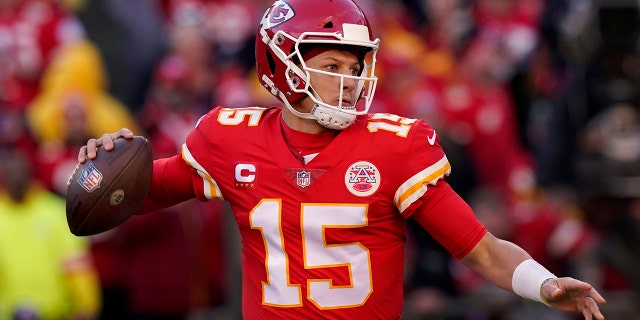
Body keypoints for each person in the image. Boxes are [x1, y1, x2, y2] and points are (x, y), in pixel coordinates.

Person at [76, 0, 606, 319]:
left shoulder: (395, 145)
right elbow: (133, 195)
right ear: (280, 67)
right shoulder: (228, 138)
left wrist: (544, 284)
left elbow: (482, 251)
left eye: (357, 65)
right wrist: (98, 168)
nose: (350, 81)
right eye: (332, 64)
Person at [0, 149, 101, 320]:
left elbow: (75, 262)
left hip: (55, 312)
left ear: (30, 175)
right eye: (10, 174)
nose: (16, 179)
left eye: (20, 173)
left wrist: (87, 305)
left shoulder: (54, 211)